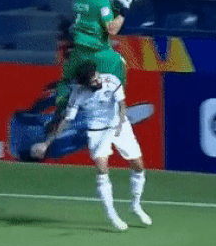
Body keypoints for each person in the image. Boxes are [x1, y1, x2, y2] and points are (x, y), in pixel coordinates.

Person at [32, 60, 152, 231]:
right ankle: (111, 214)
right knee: (102, 169)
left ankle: (136, 205)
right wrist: (46, 143)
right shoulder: (78, 94)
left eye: (96, 77)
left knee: (138, 165)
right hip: (97, 131)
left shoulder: (111, 80)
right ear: (84, 84)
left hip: (119, 125)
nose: (97, 81)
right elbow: (66, 121)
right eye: (93, 81)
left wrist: (119, 124)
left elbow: (122, 105)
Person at [53, 0, 134, 129]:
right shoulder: (101, 0)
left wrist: (112, 6)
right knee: (120, 66)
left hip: (77, 54)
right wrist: (124, 10)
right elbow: (112, 29)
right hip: (99, 54)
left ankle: (60, 114)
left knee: (65, 83)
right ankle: (115, 114)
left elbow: (92, 14)